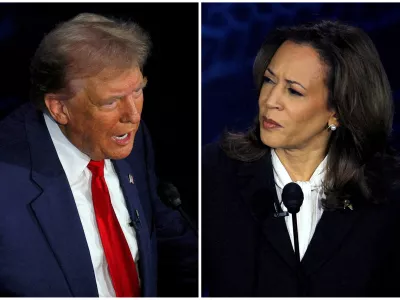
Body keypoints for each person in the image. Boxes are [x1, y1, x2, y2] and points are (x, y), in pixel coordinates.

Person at [0, 13, 197, 297]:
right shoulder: (8, 183)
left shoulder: (130, 139)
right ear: (59, 108)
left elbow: (172, 242)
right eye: (111, 101)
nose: (133, 116)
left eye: (138, 91)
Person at [202, 20, 400, 297]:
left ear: (338, 112)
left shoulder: (387, 193)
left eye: (294, 91)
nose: (270, 100)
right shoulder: (210, 173)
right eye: (270, 80)